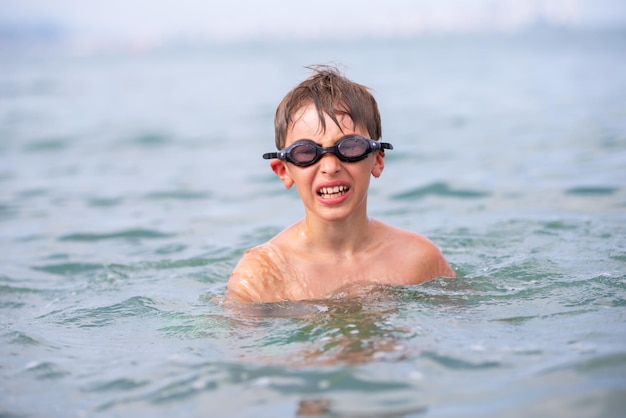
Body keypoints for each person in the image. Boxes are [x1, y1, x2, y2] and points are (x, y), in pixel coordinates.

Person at [226, 65, 455, 303]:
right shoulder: (262, 277)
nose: (330, 166)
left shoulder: (417, 258)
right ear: (283, 170)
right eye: (306, 152)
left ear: (376, 160)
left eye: (350, 147)